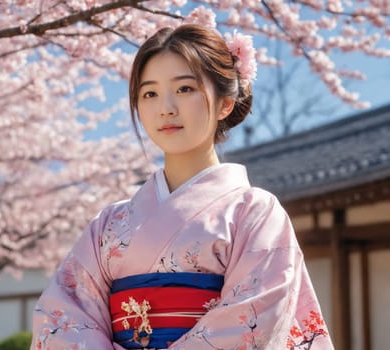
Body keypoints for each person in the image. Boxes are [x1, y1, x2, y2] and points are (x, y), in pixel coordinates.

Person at [30, 24, 334, 350]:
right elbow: (62, 314)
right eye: (150, 94)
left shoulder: (255, 212)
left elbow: (254, 323)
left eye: (185, 89)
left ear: (225, 104)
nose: (166, 108)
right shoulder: (107, 225)